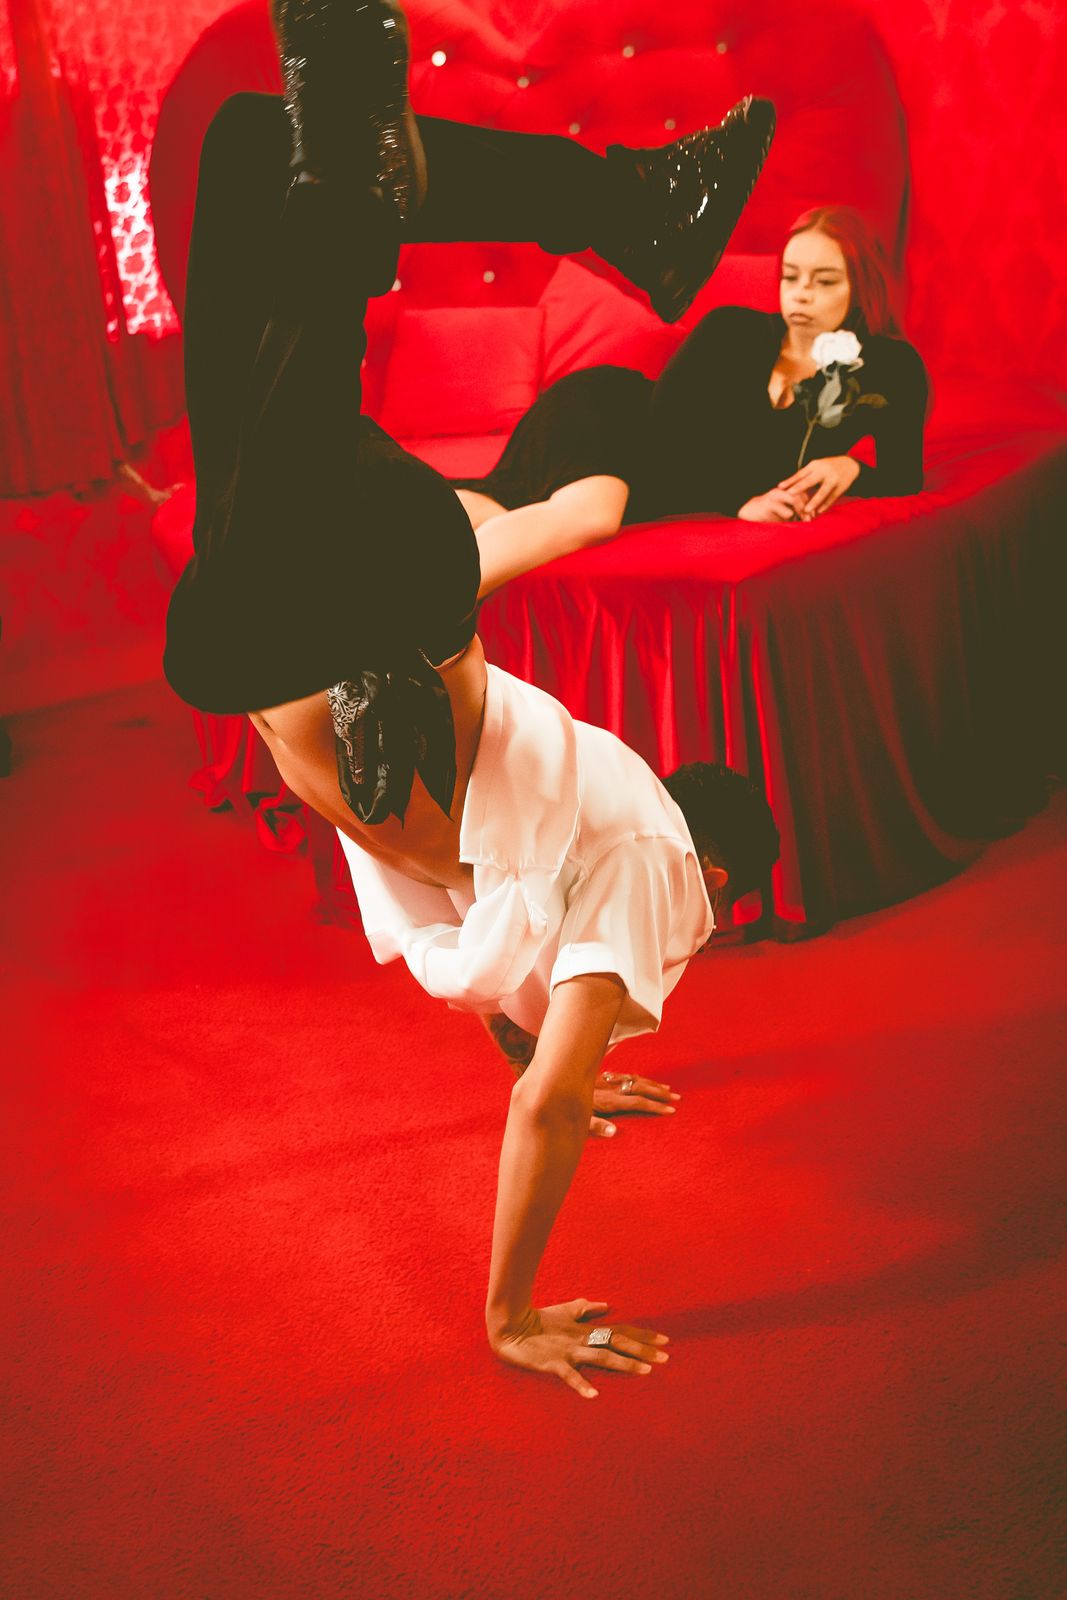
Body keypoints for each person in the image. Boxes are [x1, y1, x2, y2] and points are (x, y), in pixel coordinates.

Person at [162, 0, 778, 1397]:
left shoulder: (580, 864)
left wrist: (561, 1043)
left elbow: (526, 1017)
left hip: (292, 604)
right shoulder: (648, 866)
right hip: (351, 592)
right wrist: (508, 1311)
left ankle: (624, 207)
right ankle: (608, 203)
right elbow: (545, 1098)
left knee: (258, 145)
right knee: (315, 174)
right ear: (711, 883)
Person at [454, 206, 930, 597]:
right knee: (591, 518)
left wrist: (849, 468)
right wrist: (741, 502)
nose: (801, 295)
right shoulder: (731, 329)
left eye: (824, 281)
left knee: (504, 506)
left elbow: (904, 477)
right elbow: (667, 435)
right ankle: (432, 620)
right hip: (612, 418)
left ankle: (416, 533)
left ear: (862, 285)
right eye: (790, 277)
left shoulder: (893, 370)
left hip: (646, 476)